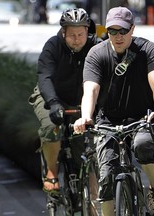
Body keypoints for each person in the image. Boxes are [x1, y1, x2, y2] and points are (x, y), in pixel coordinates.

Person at [73, 7, 154, 216]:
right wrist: (86, 116)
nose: (117, 36)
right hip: (107, 120)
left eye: (122, 31)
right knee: (106, 175)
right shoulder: (97, 54)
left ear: (132, 29)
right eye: (112, 31)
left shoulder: (147, 50)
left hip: (141, 117)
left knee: (144, 144)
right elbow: (91, 89)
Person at [28, 8, 101, 196]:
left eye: (80, 34)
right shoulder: (53, 45)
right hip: (51, 96)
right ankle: (51, 172)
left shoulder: (97, 47)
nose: (76, 39)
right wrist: (53, 103)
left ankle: (89, 201)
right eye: (71, 35)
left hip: (82, 102)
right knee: (52, 127)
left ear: (87, 31)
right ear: (63, 33)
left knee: (83, 152)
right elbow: (44, 77)